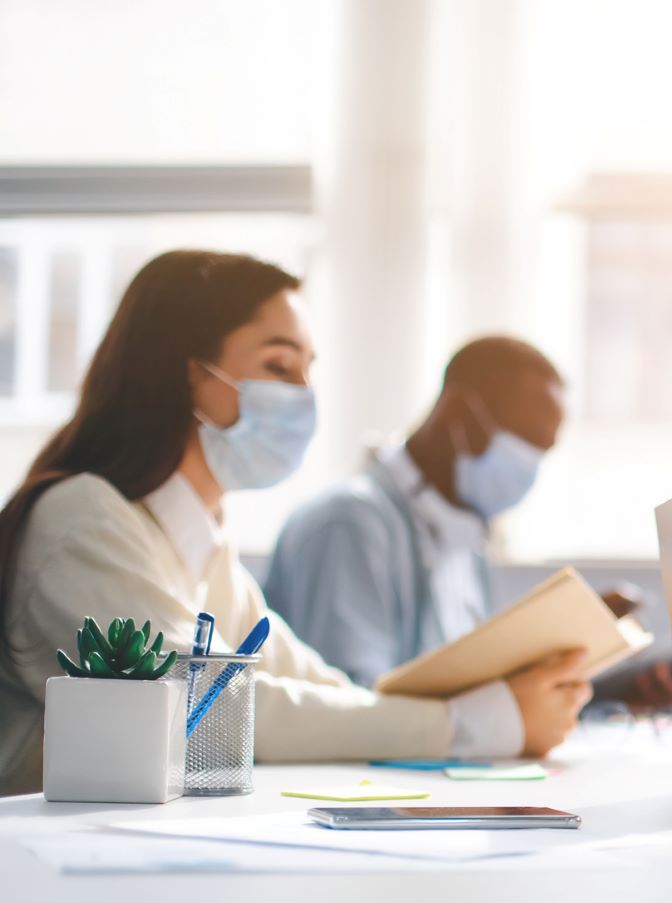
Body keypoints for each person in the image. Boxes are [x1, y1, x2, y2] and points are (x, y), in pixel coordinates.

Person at [0, 251, 589, 797]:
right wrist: (476, 727)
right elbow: (215, 714)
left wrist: (507, 706)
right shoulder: (83, 520)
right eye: (280, 365)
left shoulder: (201, 543)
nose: (304, 397)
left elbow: (324, 690)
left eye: (308, 370)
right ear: (186, 374)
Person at [265, 336, 625, 684]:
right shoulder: (348, 524)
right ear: (458, 412)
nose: (531, 466)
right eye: (526, 440)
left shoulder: (466, 533)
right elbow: (349, 712)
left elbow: (468, 686)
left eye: (543, 450)